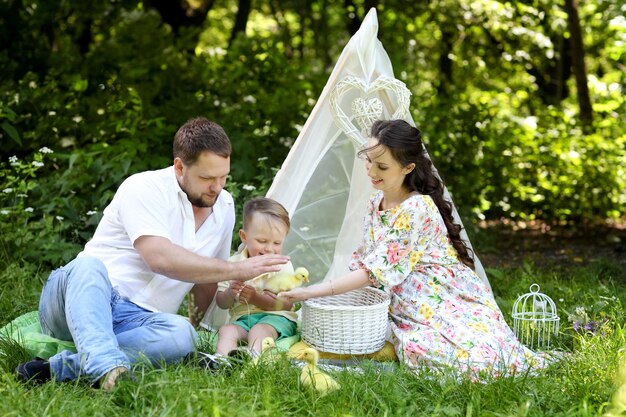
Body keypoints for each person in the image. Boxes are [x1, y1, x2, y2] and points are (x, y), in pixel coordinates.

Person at [15, 117, 288, 389]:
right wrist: (238, 269)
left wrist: (197, 325)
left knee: (182, 336)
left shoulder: (224, 205)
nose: (217, 187)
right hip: (81, 299)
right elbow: (159, 258)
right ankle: (108, 370)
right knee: (89, 266)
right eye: (207, 178)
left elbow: (208, 276)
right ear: (179, 166)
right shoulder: (144, 187)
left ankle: (60, 368)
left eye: (223, 177)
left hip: (139, 321)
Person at [279, 119, 552, 378]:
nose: (372, 172)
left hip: (440, 294)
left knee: (463, 359)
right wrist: (327, 295)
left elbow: (373, 271)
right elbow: (364, 259)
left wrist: (310, 292)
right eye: (369, 161)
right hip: (401, 295)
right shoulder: (376, 203)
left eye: (382, 167)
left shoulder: (417, 207)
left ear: (408, 168)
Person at [214, 197, 297, 359]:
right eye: (262, 241)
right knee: (227, 330)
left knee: (259, 330)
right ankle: (221, 361)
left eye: (277, 243)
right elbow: (221, 303)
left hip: (276, 320)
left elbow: (286, 305)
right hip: (243, 320)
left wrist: (255, 298)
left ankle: (253, 358)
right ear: (244, 237)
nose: (269, 248)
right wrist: (230, 293)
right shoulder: (233, 265)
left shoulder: (282, 265)